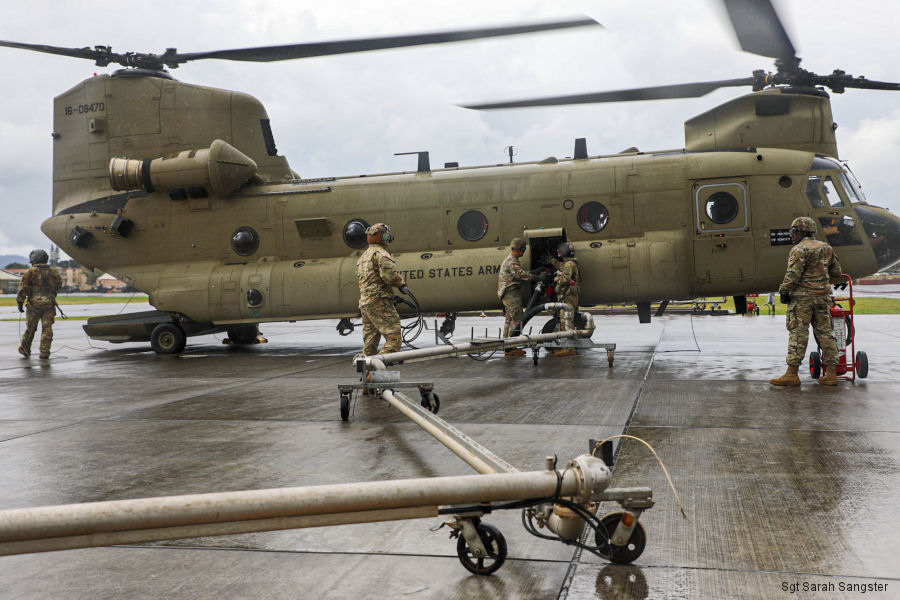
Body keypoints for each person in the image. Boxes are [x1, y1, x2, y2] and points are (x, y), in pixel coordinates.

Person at [770, 217, 843, 387]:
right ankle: (831, 374)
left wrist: (784, 290)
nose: (792, 235)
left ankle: (792, 374)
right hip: (823, 297)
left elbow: (793, 275)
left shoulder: (798, 249)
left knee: (798, 332)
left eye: (794, 232)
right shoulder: (826, 247)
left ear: (801, 232)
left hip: (802, 299)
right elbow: (837, 271)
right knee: (826, 332)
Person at [356, 223, 408, 356]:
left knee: (370, 343)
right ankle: (378, 366)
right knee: (394, 339)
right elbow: (389, 277)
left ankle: (367, 374)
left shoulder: (363, 257)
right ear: (384, 237)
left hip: (365, 304)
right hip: (379, 302)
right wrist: (402, 284)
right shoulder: (381, 254)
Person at [16, 249, 62, 359]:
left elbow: (23, 289)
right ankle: (45, 352)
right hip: (49, 305)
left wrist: (20, 303)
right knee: (47, 328)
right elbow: (59, 284)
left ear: (34, 259)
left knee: (31, 328)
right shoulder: (53, 271)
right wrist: (51, 293)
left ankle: (25, 348)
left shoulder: (30, 272)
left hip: (34, 305)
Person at [497, 237, 533, 356]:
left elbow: (520, 272)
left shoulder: (512, 259)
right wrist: (537, 277)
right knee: (517, 318)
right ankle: (512, 347)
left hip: (507, 293)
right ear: (521, 250)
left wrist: (535, 272)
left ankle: (507, 345)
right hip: (511, 293)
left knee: (509, 319)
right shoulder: (512, 261)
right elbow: (521, 275)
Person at [551, 242, 581, 357]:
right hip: (570, 297)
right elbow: (561, 266)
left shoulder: (569, 264)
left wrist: (556, 278)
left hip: (568, 297)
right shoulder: (570, 263)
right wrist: (552, 261)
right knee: (567, 321)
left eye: (560, 252)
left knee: (566, 322)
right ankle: (568, 347)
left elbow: (565, 279)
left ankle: (569, 348)